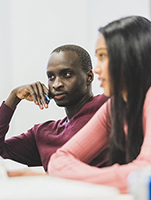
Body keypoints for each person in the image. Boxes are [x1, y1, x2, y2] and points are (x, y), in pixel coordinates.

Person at [48, 16, 151, 193]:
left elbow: (145, 174)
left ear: (130, 56)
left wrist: (76, 176)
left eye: (103, 56)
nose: (96, 69)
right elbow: (59, 160)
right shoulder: (115, 107)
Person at [0, 44, 108, 171]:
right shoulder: (44, 133)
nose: (56, 84)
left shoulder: (107, 106)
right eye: (51, 77)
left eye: (67, 74)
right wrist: (13, 98)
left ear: (89, 77)